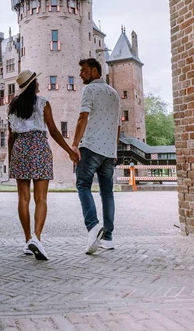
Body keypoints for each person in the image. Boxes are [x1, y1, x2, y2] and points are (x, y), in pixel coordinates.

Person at [8, 69, 79, 260]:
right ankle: (37, 238)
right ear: (33, 84)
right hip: (39, 147)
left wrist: (10, 159)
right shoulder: (42, 103)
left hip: (19, 149)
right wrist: (70, 151)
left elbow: (11, 136)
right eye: (36, 81)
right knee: (41, 198)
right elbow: (54, 131)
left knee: (23, 198)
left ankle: (27, 240)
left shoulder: (12, 106)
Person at [71, 58, 121, 255]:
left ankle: (93, 227)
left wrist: (74, 144)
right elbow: (118, 126)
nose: (81, 74)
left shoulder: (89, 90)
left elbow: (83, 117)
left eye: (83, 71)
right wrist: (114, 150)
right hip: (109, 151)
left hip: (91, 147)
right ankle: (108, 238)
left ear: (94, 70)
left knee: (82, 184)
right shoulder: (115, 94)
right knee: (107, 193)